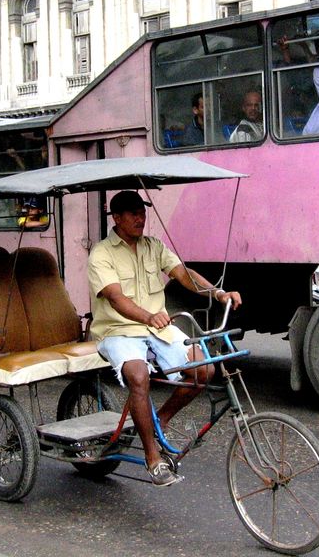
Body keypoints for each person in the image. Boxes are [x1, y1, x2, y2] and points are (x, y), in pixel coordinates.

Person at [88, 190, 242, 486]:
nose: (140, 217)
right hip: (118, 330)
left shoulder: (152, 246)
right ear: (116, 218)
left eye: (142, 212)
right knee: (138, 376)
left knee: (204, 369)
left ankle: (160, 418)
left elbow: (183, 274)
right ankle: (152, 458)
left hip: (158, 327)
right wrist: (147, 316)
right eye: (133, 213)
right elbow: (116, 299)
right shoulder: (102, 254)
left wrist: (218, 293)